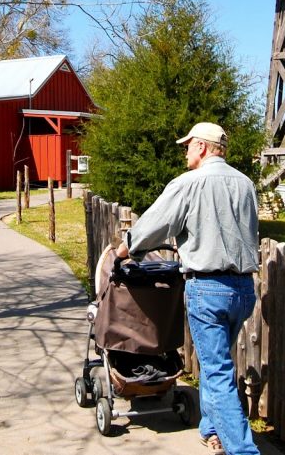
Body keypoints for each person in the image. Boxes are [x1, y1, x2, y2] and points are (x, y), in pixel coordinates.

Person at [116, 122, 260, 455]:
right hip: (243, 290)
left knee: (217, 370)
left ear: (202, 147)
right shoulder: (246, 184)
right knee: (217, 363)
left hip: (208, 288)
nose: (185, 151)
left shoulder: (188, 184)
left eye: (188, 145)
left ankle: (244, 451)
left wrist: (125, 249)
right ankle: (212, 428)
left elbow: (154, 224)